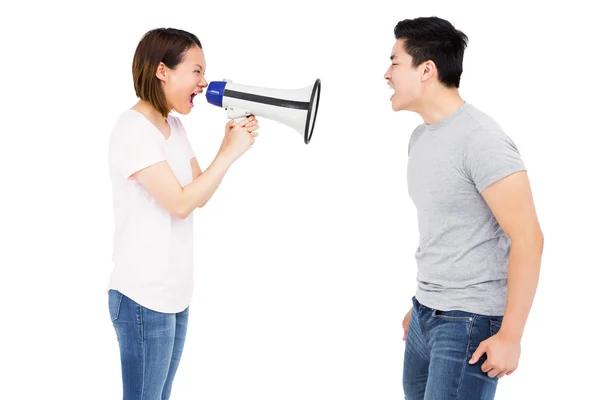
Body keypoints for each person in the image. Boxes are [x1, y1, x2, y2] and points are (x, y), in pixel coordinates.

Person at [383, 17, 544, 399]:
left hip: (469, 325)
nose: (386, 73)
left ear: (427, 70)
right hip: (425, 315)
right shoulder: (421, 137)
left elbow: (529, 239)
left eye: (393, 62)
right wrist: (424, 304)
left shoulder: (481, 139)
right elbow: (449, 230)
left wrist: (511, 336)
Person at [106, 27, 259, 399]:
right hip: (144, 297)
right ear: (162, 71)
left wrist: (229, 148)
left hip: (174, 294)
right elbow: (179, 202)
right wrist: (228, 153)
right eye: (196, 70)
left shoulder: (173, 126)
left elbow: (197, 194)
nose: (203, 82)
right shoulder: (132, 129)